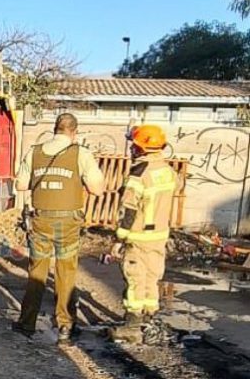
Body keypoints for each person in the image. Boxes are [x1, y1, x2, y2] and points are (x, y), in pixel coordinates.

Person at [13, 113, 104, 343]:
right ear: (74, 132)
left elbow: (21, 184)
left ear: (55, 129)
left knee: (37, 272)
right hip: (68, 222)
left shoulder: (34, 151)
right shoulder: (81, 153)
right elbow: (97, 190)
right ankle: (65, 325)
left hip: (41, 220)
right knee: (66, 271)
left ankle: (26, 323)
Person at [110, 125, 177, 328]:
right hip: (159, 235)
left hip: (138, 236)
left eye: (134, 146)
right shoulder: (168, 171)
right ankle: (149, 316)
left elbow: (129, 210)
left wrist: (119, 238)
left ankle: (133, 319)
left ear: (140, 148)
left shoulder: (139, 174)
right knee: (152, 276)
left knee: (135, 277)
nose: (131, 149)